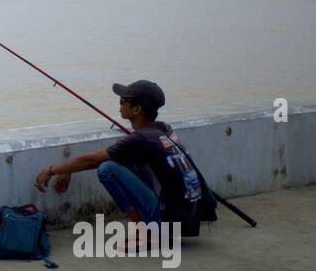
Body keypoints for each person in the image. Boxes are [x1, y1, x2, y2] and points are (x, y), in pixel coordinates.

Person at [33, 80, 202, 246]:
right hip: (187, 218)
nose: (119, 105)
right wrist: (69, 169)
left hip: (170, 220)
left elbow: (92, 160)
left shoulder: (141, 139)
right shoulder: (163, 129)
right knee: (127, 162)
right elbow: (126, 153)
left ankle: (148, 233)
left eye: (123, 101)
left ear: (137, 109)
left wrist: (51, 170)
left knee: (107, 169)